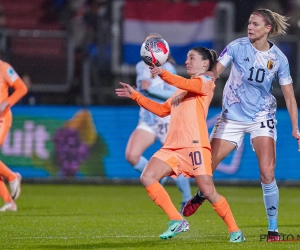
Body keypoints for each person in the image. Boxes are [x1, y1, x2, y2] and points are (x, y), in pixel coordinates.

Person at [182, 8, 300, 242]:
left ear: (268, 29)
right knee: (206, 168)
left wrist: (296, 128)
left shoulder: (279, 59)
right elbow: (214, 74)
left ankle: (273, 229)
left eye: (255, 24)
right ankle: (201, 194)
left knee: (267, 173)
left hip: (261, 116)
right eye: (249, 23)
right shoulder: (237, 46)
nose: (250, 27)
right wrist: (196, 84)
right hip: (232, 116)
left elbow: (289, 97)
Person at [116, 47, 245, 242]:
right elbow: (161, 110)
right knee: (148, 176)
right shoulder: (181, 90)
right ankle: (177, 220)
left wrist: (163, 73)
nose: (187, 61)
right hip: (172, 146)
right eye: (186, 58)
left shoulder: (206, 82)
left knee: (208, 191)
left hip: (194, 146)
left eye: (191, 58)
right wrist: (135, 95)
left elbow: (182, 81)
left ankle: (235, 231)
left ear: (205, 64)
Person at [125, 33, 192, 212]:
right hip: (147, 118)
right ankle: (158, 177)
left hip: (167, 118)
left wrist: (152, 88)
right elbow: (143, 89)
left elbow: (175, 94)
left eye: (153, 43)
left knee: (175, 162)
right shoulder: (141, 66)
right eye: (147, 43)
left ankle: (186, 198)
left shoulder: (169, 67)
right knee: (132, 155)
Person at [0, 60, 28, 211]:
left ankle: (12, 177)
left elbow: (22, 88)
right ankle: (9, 202)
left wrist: (6, 103)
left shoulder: (4, 68)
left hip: (1, 118)